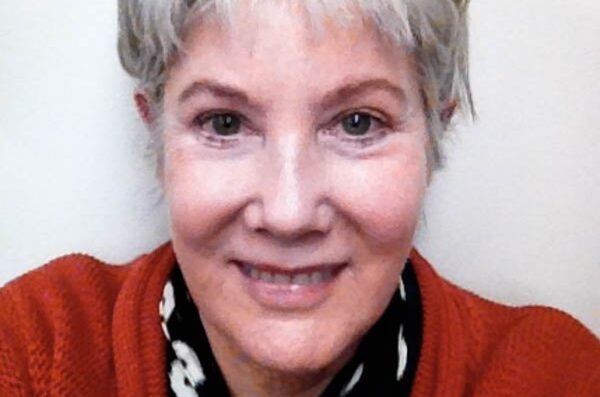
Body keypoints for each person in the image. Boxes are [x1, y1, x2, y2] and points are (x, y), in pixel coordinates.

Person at [0, 0, 598, 396]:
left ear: (433, 140)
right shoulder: (38, 347)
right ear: (155, 136)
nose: (288, 214)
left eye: (359, 123)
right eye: (225, 123)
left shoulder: (557, 375)